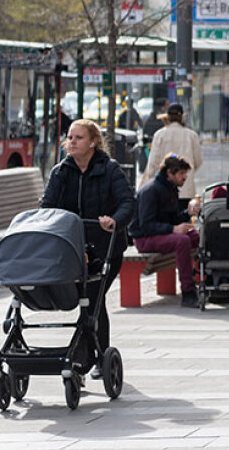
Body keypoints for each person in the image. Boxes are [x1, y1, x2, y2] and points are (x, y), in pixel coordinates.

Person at [40, 119, 136, 378]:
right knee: (89, 301)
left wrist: (114, 220)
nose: (71, 142)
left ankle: (88, 359)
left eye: (78, 138)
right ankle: (92, 356)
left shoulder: (110, 169)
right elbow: (47, 206)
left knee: (93, 298)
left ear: (93, 142)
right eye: (70, 137)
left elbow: (128, 202)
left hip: (105, 248)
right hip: (73, 249)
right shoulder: (61, 172)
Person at [128, 154, 202, 308]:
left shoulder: (170, 189)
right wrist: (173, 229)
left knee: (197, 236)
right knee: (182, 241)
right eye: (181, 173)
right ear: (169, 173)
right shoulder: (151, 190)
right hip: (144, 238)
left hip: (160, 234)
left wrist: (187, 214)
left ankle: (205, 280)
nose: (185, 177)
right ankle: (188, 292)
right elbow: (146, 225)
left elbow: (172, 218)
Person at [142, 102, 203, 210]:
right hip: (186, 190)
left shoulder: (159, 135)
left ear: (168, 117)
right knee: (183, 217)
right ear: (182, 117)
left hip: (163, 190)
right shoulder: (191, 135)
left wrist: (152, 181)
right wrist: (185, 173)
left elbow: (153, 163)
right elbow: (198, 161)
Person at [141, 98, 168, 173]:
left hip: (150, 143)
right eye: (167, 105)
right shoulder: (162, 117)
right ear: (163, 106)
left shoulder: (151, 116)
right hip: (156, 144)